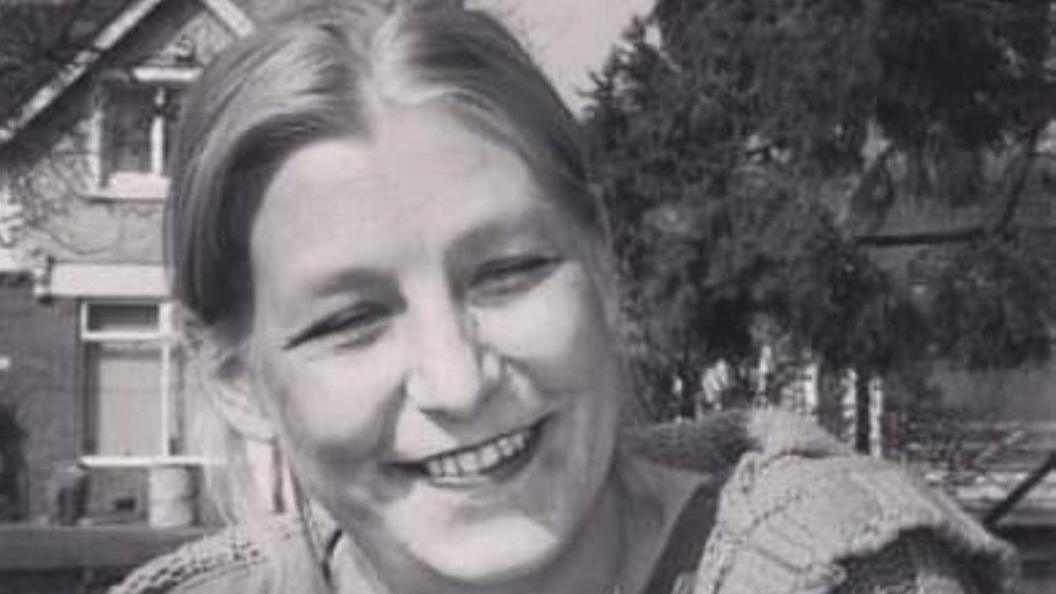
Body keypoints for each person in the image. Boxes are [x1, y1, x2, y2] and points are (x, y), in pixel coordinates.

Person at [113, 2, 1019, 593]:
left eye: (507, 274)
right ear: (236, 378)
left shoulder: (852, 578)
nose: (458, 382)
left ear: (603, 261)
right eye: (350, 321)